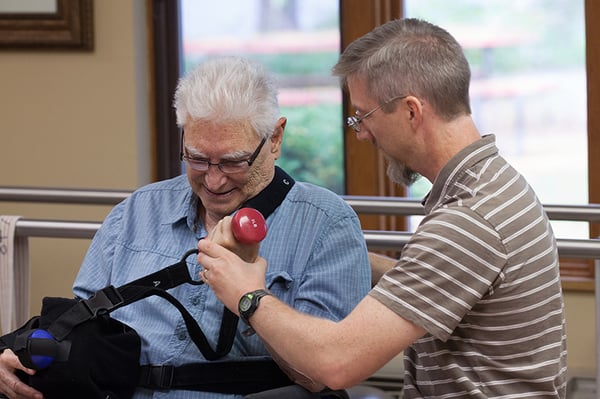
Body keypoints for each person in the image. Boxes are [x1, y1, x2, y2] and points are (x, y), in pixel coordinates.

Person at [197, 18, 568, 398]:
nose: (360, 134)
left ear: (411, 111)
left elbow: (336, 363)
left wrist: (248, 294)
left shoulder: (467, 223)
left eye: (364, 116)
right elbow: (442, 277)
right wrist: (341, 253)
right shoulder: (496, 184)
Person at [0, 56, 371, 399]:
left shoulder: (326, 224)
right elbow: (82, 331)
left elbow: (323, 374)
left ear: (274, 139)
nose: (213, 180)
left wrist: (249, 299)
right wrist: (23, 357)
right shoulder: (137, 211)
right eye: (196, 158)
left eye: (233, 162)